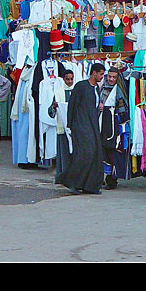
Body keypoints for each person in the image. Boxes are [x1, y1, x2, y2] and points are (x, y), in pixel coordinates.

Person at [57, 63, 105, 195]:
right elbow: (73, 105)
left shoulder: (96, 88)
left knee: (94, 154)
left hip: (92, 125)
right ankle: (71, 181)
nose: (102, 77)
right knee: (84, 154)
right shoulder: (81, 86)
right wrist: (71, 125)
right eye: (101, 74)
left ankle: (89, 185)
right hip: (81, 126)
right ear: (94, 73)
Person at [100, 66, 131, 190]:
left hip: (114, 126)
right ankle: (102, 177)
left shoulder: (119, 90)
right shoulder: (101, 88)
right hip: (102, 123)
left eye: (114, 77)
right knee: (102, 151)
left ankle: (111, 179)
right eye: (109, 76)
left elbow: (122, 109)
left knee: (112, 152)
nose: (111, 79)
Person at [48, 69, 75, 183]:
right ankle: (63, 177)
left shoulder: (76, 91)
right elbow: (50, 112)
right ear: (63, 79)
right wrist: (54, 107)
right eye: (67, 79)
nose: (69, 82)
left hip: (74, 129)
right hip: (62, 128)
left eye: (71, 79)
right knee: (63, 154)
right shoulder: (58, 92)